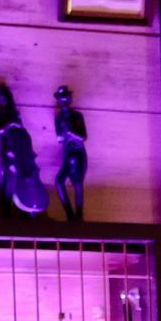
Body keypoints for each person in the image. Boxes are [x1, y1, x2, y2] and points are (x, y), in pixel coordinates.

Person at [0, 83, 48, 216]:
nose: (3, 101)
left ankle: (30, 205)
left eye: (5, 98)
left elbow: (18, 125)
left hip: (21, 141)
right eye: (1, 99)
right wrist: (10, 124)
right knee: (9, 173)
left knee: (26, 170)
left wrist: (12, 125)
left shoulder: (14, 112)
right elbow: (0, 130)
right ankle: (7, 205)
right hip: (9, 144)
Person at [53, 85, 88, 222]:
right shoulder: (59, 117)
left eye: (66, 98)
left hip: (78, 152)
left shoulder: (78, 116)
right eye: (62, 100)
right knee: (59, 181)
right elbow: (59, 138)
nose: (64, 102)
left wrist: (71, 132)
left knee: (77, 182)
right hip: (67, 153)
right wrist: (64, 133)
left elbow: (83, 137)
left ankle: (79, 215)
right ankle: (70, 214)